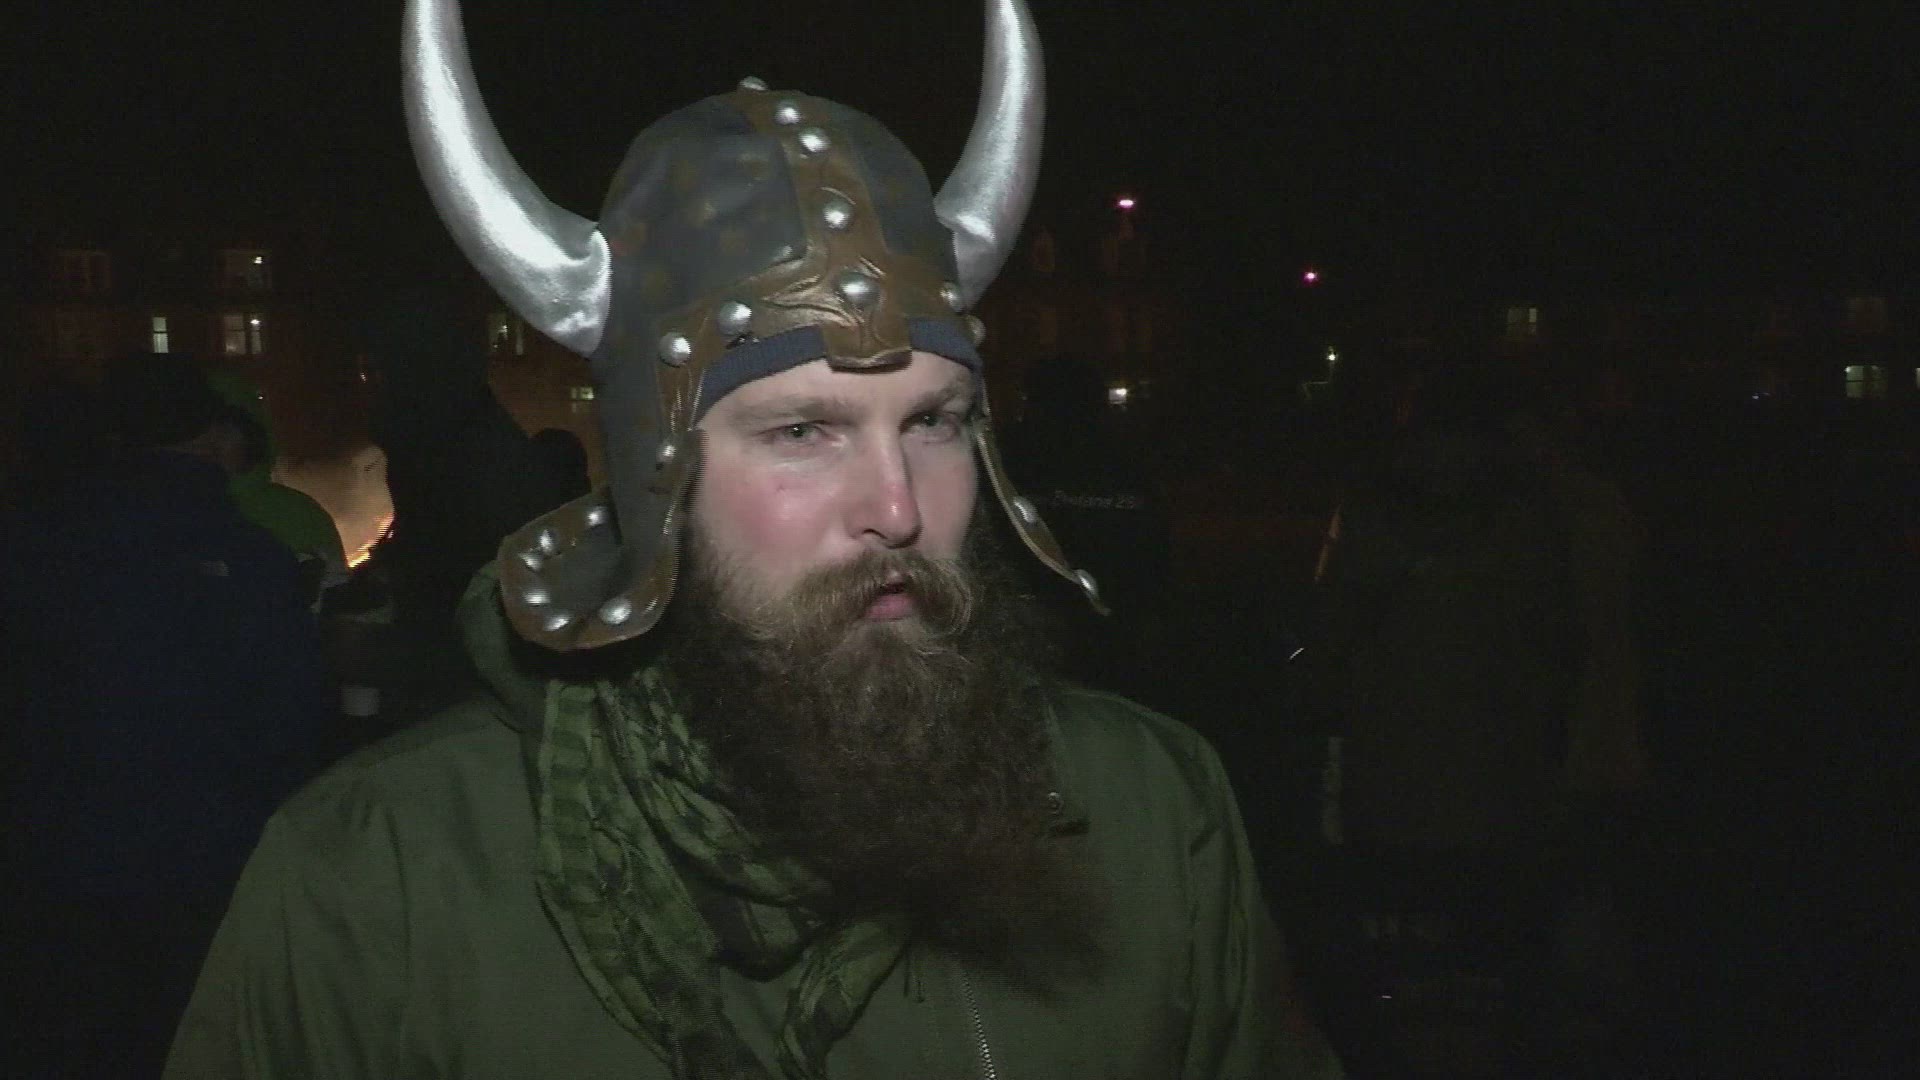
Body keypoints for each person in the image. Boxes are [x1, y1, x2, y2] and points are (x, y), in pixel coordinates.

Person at [165, 2, 1342, 1077]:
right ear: (657, 478)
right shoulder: (378, 879)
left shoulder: (1152, 814)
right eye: (802, 432)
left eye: (933, 422)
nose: (897, 507)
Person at [1, 353, 335, 1078]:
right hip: (209, 870)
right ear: (216, 435)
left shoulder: (34, 543)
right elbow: (292, 725)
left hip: (55, 867)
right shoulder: (254, 560)